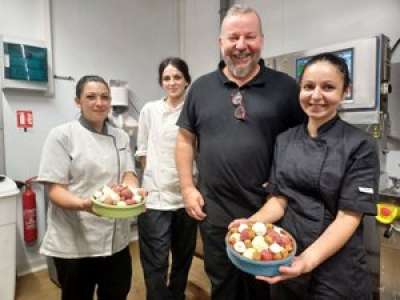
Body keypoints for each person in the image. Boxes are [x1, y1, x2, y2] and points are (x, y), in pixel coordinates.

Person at [175, 4, 305, 300]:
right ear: (221, 43)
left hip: (270, 212)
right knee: (222, 285)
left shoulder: (286, 88)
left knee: (265, 288)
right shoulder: (200, 88)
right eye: (233, 38)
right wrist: (186, 187)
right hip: (215, 211)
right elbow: (184, 140)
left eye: (250, 37)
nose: (241, 46)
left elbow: (302, 144)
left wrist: (283, 190)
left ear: (262, 39)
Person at [231, 53, 380, 299]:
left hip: (337, 269)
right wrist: (252, 224)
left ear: (344, 92)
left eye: (328, 87)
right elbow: (279, 201)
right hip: (288, 253)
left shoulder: (359, 144)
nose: (316, 95)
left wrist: (307, 261)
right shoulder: (285, 140)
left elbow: (348, 217)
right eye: (309, 86)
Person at [37, 75, 138, 300]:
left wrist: (132, 191)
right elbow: (54, 190)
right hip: (75, 240)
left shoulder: (120, 136)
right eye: (90, 97)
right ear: (78, 101)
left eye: (104, 97)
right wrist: (85, 204)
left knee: (117, 293)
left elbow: (129, 174)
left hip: (116, 240)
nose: (99, 102)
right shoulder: (62, 135)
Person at [135, 57, 197, 300]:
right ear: (161, 82)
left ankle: (177, 295)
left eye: (177, 77)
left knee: (183, 257)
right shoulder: (150, 110)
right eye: (166, 78)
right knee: (155, 260)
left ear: (186, 81)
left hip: (188, 196)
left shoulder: (194, 109)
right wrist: (153, 175)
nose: (172, 82)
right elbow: (142, 151)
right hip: (155, 199)